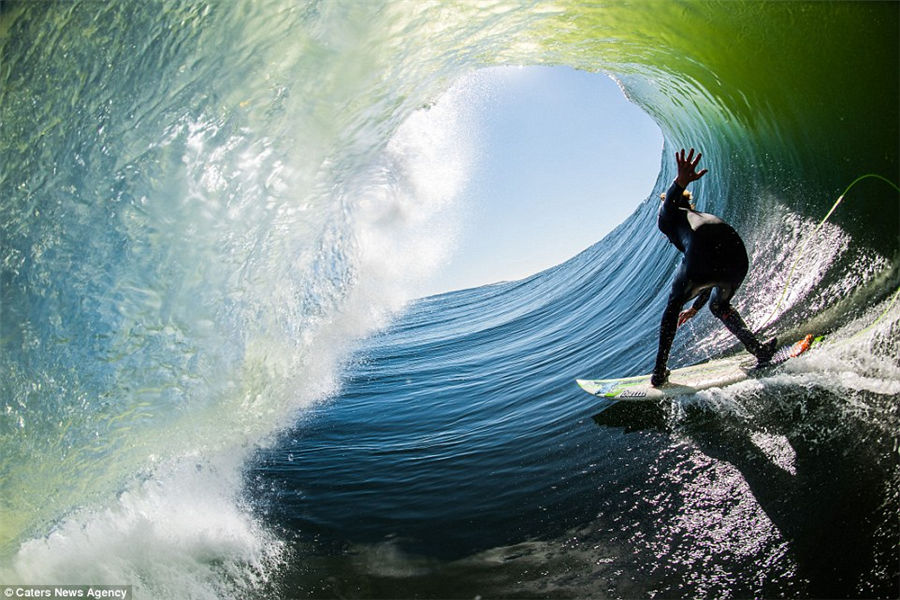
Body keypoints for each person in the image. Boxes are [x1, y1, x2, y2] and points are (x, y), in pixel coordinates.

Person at [651, 148, 776, 387]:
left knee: (672, 305)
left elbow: (668, 206)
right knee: (719, 305)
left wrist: (680, 181)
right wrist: (696, 309)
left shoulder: (668, 216)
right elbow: (709, 273)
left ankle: (658, 372)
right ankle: (759, 350)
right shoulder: (698, 215)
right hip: (736, 258)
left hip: (702, 256)